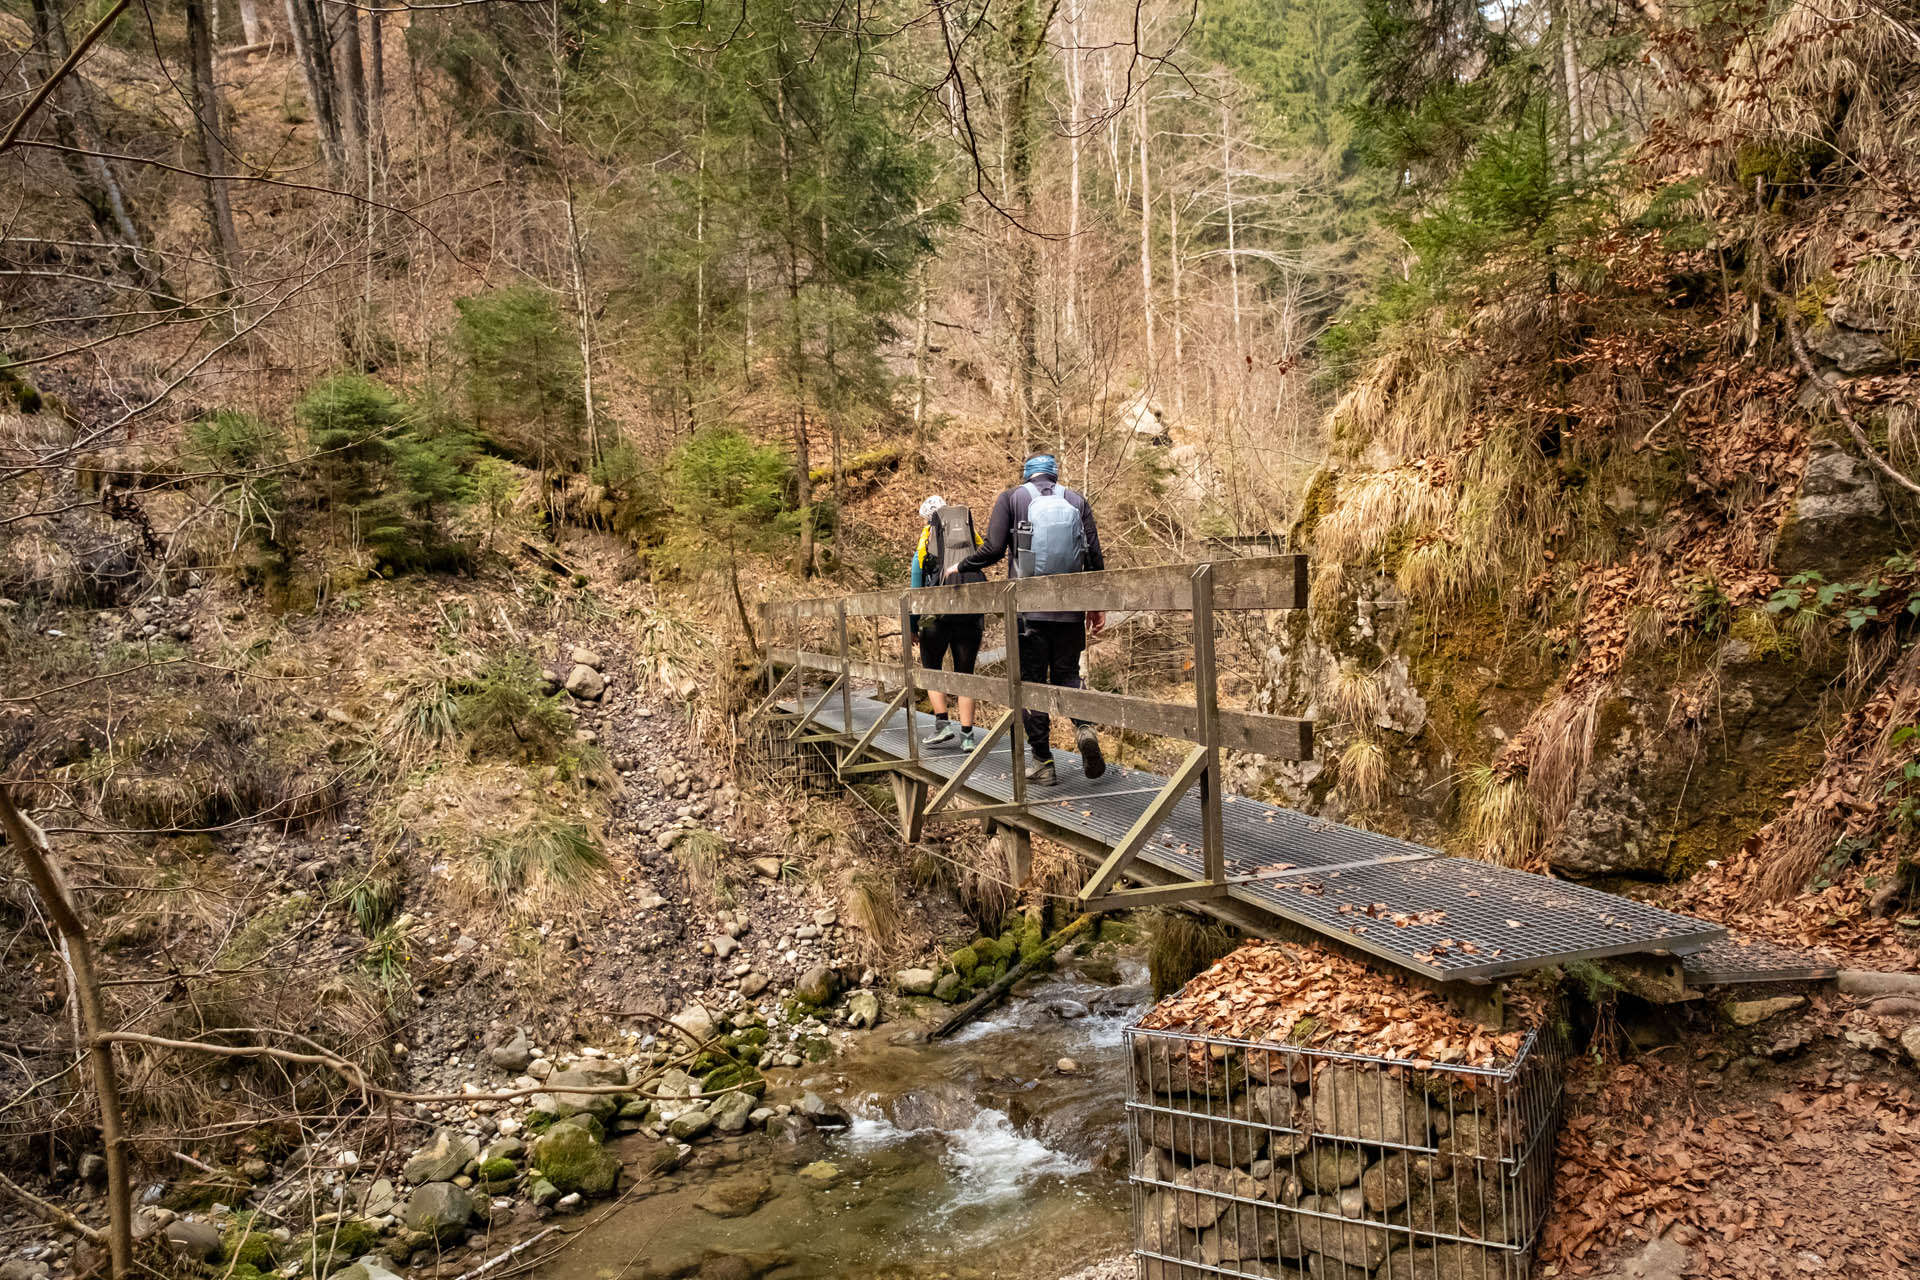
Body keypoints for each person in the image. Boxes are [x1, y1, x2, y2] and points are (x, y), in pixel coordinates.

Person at [948, 454, 1107, 786]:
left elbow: (992, 549)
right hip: (1070, 608)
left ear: (1027, 475)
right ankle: (1084, 727)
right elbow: (1093, 555)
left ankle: (1043, 762)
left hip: (1027, 615)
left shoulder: (1012, 498)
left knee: (1030, 684)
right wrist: (1095, 604)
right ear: (1054, 474)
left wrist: (960, 567)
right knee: (1067, 674)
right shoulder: (1076, 500)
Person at [911, 495, 985, 750]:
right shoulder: (970, 540)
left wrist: (912, 627)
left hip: (937, 618)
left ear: (928, 520)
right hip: (970, 614)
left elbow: (915, 589)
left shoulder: (925, 544)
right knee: (966, 674)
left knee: (932, 669)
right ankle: (967, 737)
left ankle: (942, 726)